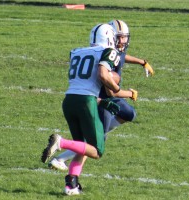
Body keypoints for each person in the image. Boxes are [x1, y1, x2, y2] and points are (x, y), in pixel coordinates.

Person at [41, 23, 137, 196]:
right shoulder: (109, 52)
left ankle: (71, 185)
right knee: (96, 150)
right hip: (86, 101)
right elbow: (102, 74)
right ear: (109, 38)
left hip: (69, 100)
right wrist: (116, 89)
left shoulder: (76, 51)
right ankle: (60, 143)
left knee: (81, 147)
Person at [48, 19, 154, 171]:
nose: (123, 40)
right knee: (94, 146)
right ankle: (61, 160)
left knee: (128, 113)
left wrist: (143, 62)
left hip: (80, 97)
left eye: (125, 37)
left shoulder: (101, 52)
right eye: (120, 37)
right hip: (100, 100)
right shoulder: (109, 53)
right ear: (112, 37)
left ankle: (71, 179)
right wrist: (128, 93)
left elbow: (124, 57)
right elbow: (110, 88)